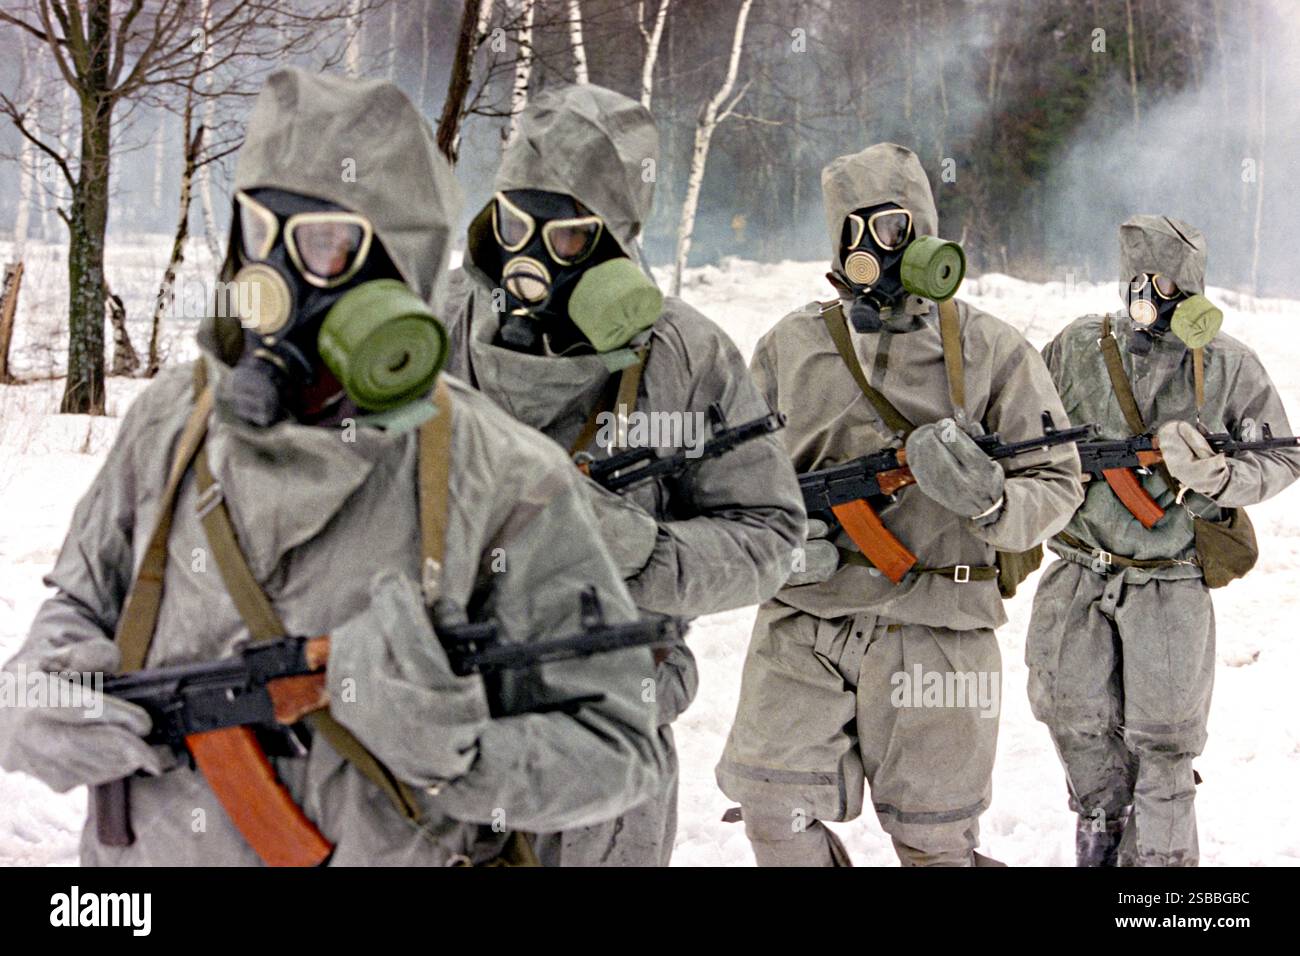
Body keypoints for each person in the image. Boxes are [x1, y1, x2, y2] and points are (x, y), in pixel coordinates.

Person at [0, 68, 667, 867]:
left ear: (395, 266)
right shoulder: (174, 418)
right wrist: (35, 698)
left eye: (320, 242)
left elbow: (624, 748)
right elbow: (78, 604)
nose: (273, 276)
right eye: (257, 229)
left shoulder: (502, 475)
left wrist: (455, 753)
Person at [442, 83, 805, 866]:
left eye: (566, 237)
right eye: (512, 224)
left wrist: (631, 548)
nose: (528, 257)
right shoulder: (428, 329)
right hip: (440, 725)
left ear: (616, 243)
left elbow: (771, 541)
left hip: (607, 729)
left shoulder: (684, 353)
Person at [716, 143, 1083, 867]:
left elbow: (1060, 482)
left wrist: (989, 504)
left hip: (939, 623)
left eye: (898, 227)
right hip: (805, 617)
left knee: (934, 842)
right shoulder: (791, 346)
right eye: (863, 231)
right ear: (838, 242)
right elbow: (732, 484)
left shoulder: (991, 350)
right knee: (771, 809)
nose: (883, 248)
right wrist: (776, 548)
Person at [1028, 214, 1300, 866]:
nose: (1157, 295)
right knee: (1074, 719)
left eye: (1174, 283)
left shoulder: (1227, 364)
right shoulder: (1075, 349)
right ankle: (1101, 839)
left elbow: (1284, 456)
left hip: (1170, 578)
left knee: (1167, 748)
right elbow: (1022, 431)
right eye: (1147, 281)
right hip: (1079, 570)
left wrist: (1222, 475)